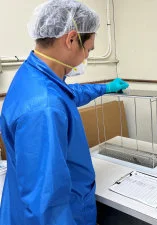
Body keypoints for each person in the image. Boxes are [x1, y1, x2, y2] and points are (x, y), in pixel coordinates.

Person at [0, 0, 128, 224]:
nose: (86, 58)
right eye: (88, 50)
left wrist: (105, 88)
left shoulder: (33, 76)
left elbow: (69, 94)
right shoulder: (45, 108)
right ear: (70, 40)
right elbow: (46, 208)